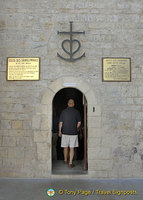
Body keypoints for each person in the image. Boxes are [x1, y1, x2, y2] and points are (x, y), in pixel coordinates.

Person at [59, 99, 81, 168]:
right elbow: (79, 122)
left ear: (68, 104)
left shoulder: (63, 112)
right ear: (73, 104)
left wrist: (60, 131)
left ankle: (65, 160)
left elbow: (60, 123)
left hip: (65, 132)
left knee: (65, 147)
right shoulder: (76, 112)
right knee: (72, 148)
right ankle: (70, 163)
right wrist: (76, 127)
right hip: (73, 133)